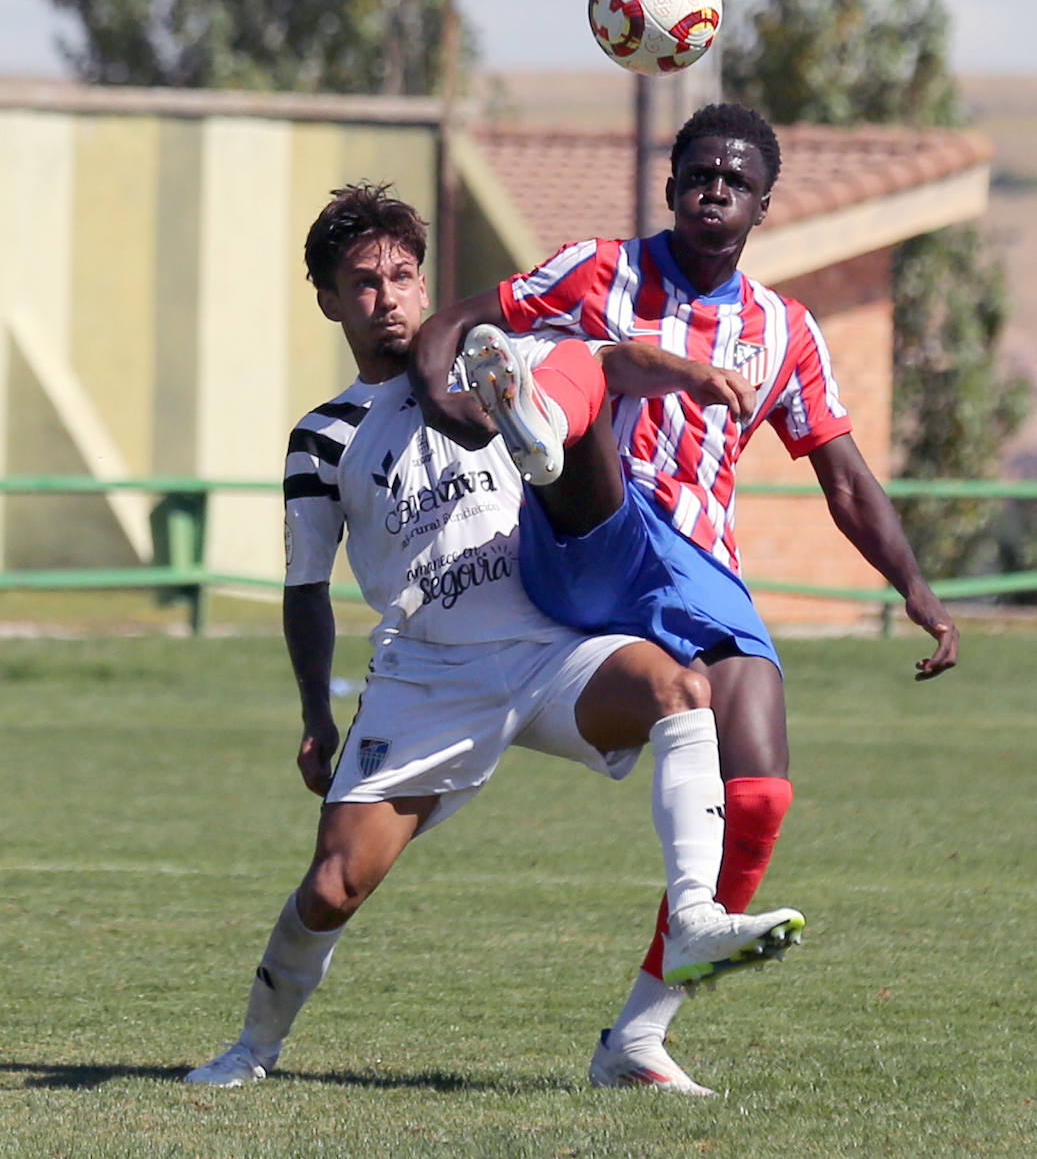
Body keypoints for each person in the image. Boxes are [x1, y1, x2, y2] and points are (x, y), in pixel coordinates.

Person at [184, 180, 804, 1090]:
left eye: (401, 275)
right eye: (362, 282)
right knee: (331, 888)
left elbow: (607, 359)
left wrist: (684, 372)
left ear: (425, 286)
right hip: (427, 674)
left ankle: (697, 914)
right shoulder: (322, 438)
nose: (386, 296)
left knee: (680, 690)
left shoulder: (496, 365)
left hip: (549, 647)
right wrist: (316, 715)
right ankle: (252, 1049)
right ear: (327, 301)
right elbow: (305, 590)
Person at [410, 101, 959, 1094]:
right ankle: (542, 429)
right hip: (585, 538)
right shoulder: (597, 269)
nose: (714, 190)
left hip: (694, 576)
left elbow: (840, 477)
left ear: (760, 204)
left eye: (735, 181)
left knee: (759, 790)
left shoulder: (782, 331)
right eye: (698, 173)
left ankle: (635, 1036)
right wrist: (446, 392)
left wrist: (916, 589)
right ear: (669, 188)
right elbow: (458, 319)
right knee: (584, 374)